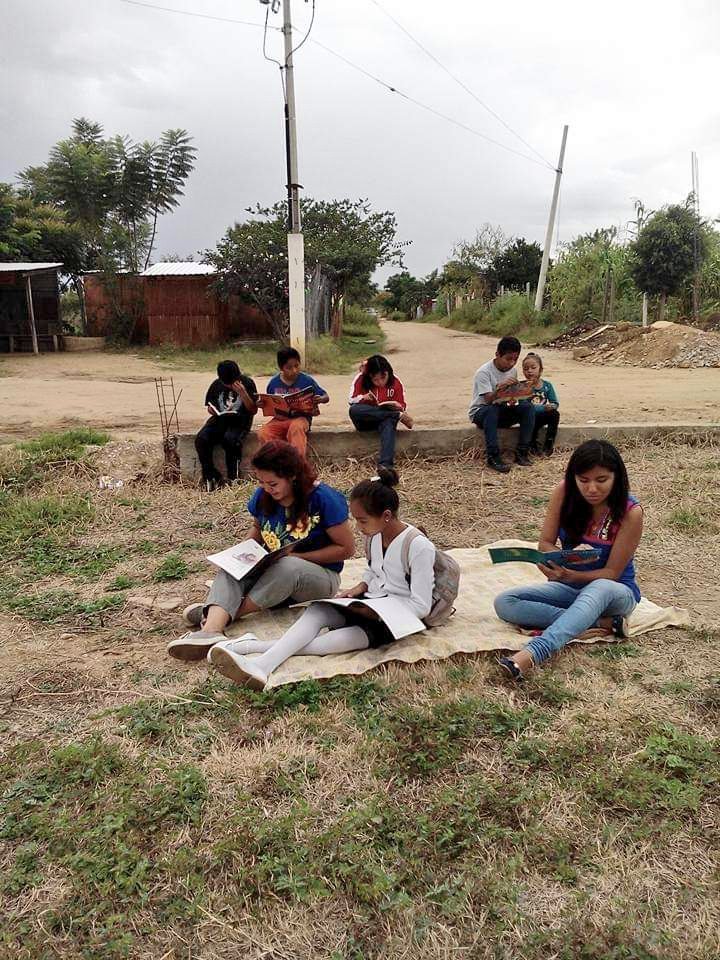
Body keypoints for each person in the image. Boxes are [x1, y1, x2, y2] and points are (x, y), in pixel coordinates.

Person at [207, 467, 437, 689]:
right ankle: (258, 662)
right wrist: (361, 587)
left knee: (332, 643)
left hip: (392, 619)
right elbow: (374, 571)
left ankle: (256, 654)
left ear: (386, 516)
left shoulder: (418, 546)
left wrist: (377, 613)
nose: (357, 528)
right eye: (355, 519)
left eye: (363, 521)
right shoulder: (374, 536)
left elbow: (421, 605)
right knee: (318, 610)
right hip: (370, 602)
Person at [167, 440, 354, 661]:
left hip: (318, 578)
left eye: (273, 483)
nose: (267, 488)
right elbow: (257, 527)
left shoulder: (323, 499)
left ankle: (220, 614)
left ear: (292, 476)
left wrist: (298, 556)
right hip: (274, 570)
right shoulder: (263, 495)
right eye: (262, 482)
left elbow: (346, 549)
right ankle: (211, 632)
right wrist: (242, 555)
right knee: (233, 567)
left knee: (288, 566)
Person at [494, 440, 643, 681]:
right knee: (505, 602)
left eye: (601, 480)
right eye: (583, 480)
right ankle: (600, 623)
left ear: (617, 478)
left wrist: (572, 575)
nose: (591, 488)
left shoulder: (630, 512)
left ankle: (534, 653)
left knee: (599, 586)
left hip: (615, 593)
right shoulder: (563, 492)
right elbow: (545, 542)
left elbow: (613, 573)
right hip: (571, 587)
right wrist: (557, 561)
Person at [468, 336, 535, 474]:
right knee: (491, 410)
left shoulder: (512, 371)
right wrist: (499, 389)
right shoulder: (484, 372)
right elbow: (487, 400)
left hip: (502, 410)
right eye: (508, 359)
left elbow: (512, 398)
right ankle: (493, 456)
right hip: (482, 413)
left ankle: (522, 452)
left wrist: (521, 393)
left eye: (515, 360)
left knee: (528, 407)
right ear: (497, 355)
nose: (511, 363)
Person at [194, 360, 258, 491]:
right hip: (220, 419)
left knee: (230, 440)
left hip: (240, 420)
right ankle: (210, 476)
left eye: (232, 383)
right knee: (201, 439)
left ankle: (233, 478)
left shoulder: (247, 383)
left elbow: (253, 410)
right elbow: (210, 407)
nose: (230, 386)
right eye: (226, 384)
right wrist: (212, 410)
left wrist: (243, 393)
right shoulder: (216, 385)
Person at [257, 347, 329, 456]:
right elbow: (271, 404)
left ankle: (297, 464)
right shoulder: (273, 383)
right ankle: (276, 462)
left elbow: (326, 396)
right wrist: (263, 404)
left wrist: (321, 399)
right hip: (280, 419)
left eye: (297, 366)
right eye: (289, 368)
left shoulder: (307, 380)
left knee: (296, 428)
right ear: (281, 368)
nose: (294, 370)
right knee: (264, 432)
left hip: (301, 418)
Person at [348, 355, 414, 469]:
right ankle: (395, 416)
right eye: (376, 380)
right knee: (354, 410)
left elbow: (402, 404)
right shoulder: (361, 378)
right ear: (370, 377)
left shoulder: (396, 382)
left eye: (383, 378)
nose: (380, 382)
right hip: (365, 420)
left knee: (389, 422)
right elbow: (351, 400)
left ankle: (385, 465)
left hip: (384, 421)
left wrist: (398, 407)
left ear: (388, 373)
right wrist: (363, 397)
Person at [521, 352, 560, 457]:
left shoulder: (547, 386)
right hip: (528, 418)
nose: (529, 371)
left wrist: (552, 406)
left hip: (541, 416)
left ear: (540, 370)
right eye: (526, 368)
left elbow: (555, 402)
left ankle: (548, 444)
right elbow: (523, 405)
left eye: (533, 368)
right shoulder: (522, 386)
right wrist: (543, 407)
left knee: (555, 414)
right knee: (530, 421)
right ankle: (532, 445)